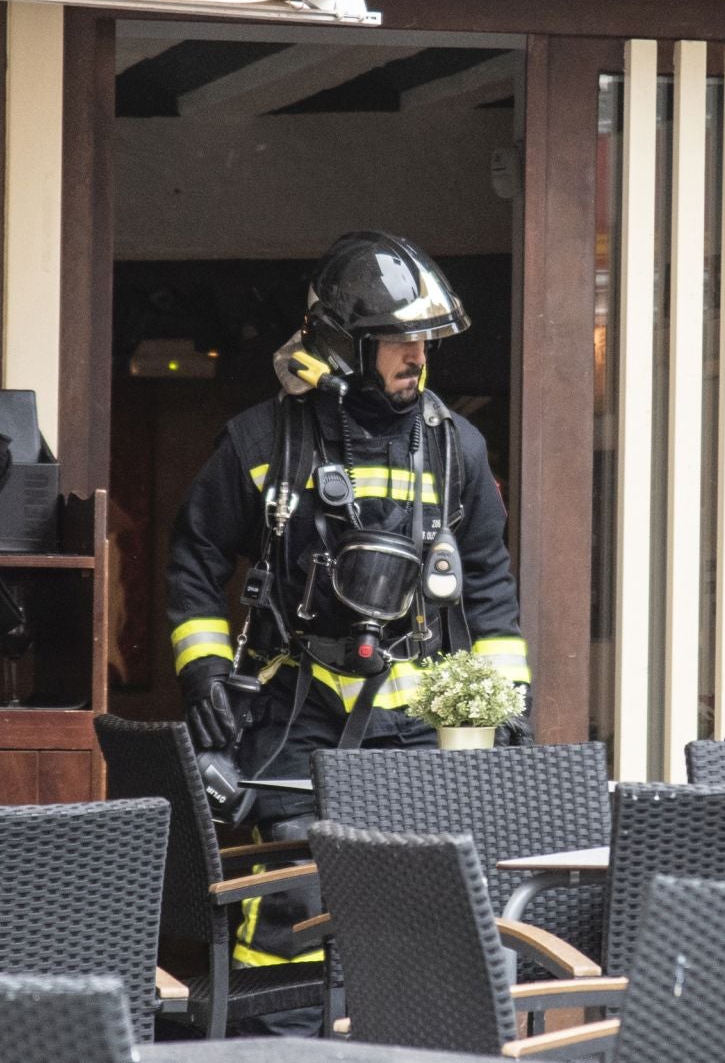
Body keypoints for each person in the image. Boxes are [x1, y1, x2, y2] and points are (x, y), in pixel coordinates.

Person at [165, 230, 530, 997]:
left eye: (423, 340)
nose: (417, 357)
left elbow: (489, 582)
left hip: (419, 727)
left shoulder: (456, 449)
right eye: (396, 340)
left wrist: (506, 704)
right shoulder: (262, 442)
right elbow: (195, 558)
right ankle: (275, 1039)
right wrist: (203, 673)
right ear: (344, 345)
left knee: (422, 906)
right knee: (290, 901)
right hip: (295, 715)